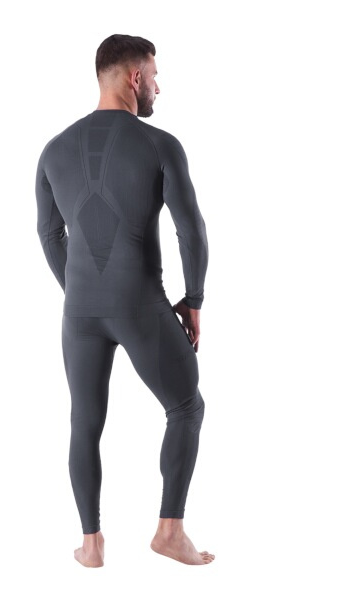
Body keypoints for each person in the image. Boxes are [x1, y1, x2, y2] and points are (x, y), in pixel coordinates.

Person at [35, 34, 214, 567]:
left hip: (79, 315)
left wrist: (80, 294)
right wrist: (193, 299)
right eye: (155, 76)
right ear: (135, 78)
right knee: (186, 406)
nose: (159, 86)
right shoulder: (160, 145)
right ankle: (169, 532)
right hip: (140, 306)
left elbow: (49, 234)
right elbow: (191, 232)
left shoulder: (53, 150)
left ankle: (91, 547)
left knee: (85, 423)